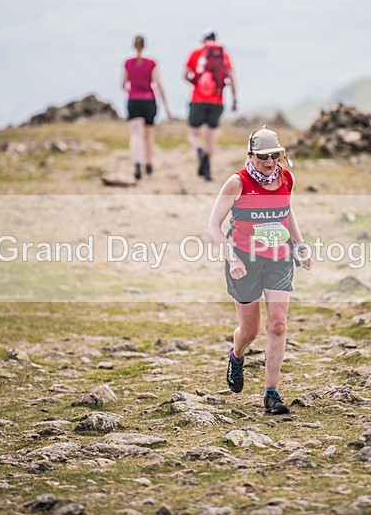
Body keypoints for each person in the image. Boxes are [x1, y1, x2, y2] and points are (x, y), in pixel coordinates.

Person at [207, 126, 313, 414]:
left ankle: (271, 394)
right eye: (263, 156)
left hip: (279, 258)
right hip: (244, 260)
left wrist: (300, 244)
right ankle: (236, 355)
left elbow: (287, 210)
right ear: (251, 155)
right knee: (250, 331)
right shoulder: (237, 183)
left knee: (277, 325)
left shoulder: (286, 178)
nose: (270, 162)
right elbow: (213, 226)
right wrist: (233, 259)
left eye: (274, 155)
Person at [184, 29, 237, 182]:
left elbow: (185, 75)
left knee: (193, 133)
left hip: (197, 99)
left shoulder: (196, 53)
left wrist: (197, 83)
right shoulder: (224, 55)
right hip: (217, 100)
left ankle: (199, 150)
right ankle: (207, 166)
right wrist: (234, 100)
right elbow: (231, 78)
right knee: (211, 135)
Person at [122, 34, 171, 181]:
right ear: (144, 46)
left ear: (134, 46)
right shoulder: (151, 63)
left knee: (135, 135)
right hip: (149, 101)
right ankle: (148, 164)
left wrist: (131, 92)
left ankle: (137, 162)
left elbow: (123, 84)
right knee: (148, 135)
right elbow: (157, 83)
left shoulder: (128, 63)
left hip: (134, 100)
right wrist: (166, 106)